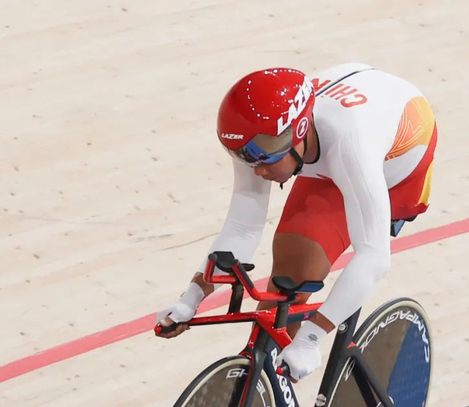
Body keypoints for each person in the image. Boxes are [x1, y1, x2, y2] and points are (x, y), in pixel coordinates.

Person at [158, 63, 437, 380]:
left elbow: (375, 258)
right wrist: (190, 299)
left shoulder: (350, 145)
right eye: (244, 156)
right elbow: (242, 228)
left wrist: (311, 338)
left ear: (300, 130)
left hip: (395, 168)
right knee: (289, 280)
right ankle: (265, 390)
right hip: (331, 155)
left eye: (265, 157)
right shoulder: (260, 142)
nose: (258, 170)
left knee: (346, 250)